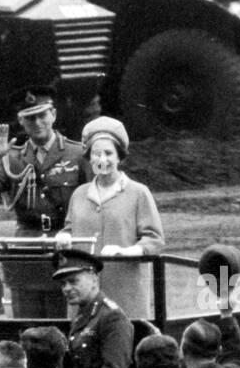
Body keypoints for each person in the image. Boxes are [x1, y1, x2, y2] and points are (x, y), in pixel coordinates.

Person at [0, 90, 92, 317]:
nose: (37, 123)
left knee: (65, 321)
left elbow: (94, 199)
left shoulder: (77, 154)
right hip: (27, 249)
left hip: (65, 245)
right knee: (28, 324)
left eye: (42, 115)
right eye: (29, 118)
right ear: (20, 121)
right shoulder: (12, 158)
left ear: (53, 114)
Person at [55, 116, 163, 316]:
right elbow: (70, 230)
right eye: (96, 154)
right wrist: (64, 237)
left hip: (125, 294)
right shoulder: (79, 194)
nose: (102, 159)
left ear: (119, 157)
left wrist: (129, 251)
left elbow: (155, 240)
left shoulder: (139, 193)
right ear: (89, 158)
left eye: (108, 153)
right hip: (84, 296)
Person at [53, 249, 134, 368]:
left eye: (73, 281)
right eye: (63, 284)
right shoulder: (83, 315)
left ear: (94, 280)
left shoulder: (111, 317)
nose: (66, 288)